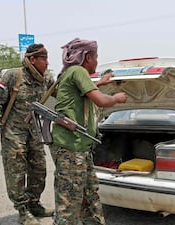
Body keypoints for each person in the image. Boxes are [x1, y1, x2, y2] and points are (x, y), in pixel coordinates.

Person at [50, 38, 127, 225]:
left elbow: (81, 92)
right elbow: (100, 100)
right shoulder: (78, 71)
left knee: (89, 198)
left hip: (78, 148)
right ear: (86, 57)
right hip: (71, 148)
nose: (97, 61)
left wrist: (100, 82)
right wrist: (116, 98)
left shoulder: (71, 73)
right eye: (96, 57)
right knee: (69, 206)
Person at [0, 44, 55, 225]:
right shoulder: (13, 76)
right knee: (16, 171)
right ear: (32, 59)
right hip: (13, 132)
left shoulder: (47, 78)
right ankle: (23, 210)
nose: (47, 63)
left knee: (39, 169)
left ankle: (34, 204)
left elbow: (58, 97)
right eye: (44, 59)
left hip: (35, 130)